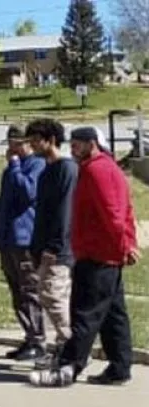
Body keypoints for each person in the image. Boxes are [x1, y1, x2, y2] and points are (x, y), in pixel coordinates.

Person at [31, 127, 140, 387]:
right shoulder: (107, 167)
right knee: (114, 315)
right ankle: (119, 367)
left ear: (92, 144)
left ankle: (67, 368)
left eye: (78, 145)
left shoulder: (96, 170)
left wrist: (124, 244)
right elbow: (124, 211)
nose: (73, 150)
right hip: (106, 253)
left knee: (84, 314)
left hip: (97, 253)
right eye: (72, 145)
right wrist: (126, 243)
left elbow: (112, 212)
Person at [0, 125, 48, 361]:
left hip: (26, 239)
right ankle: (28, 336)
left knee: (29, 291)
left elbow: (28, 193)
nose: (13, 148)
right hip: (8, 239)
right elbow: (3, 205)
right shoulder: (9, 171)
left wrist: (15, 166)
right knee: (16, 293)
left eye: (19, 143)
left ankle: (39, 340)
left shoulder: (36, 165)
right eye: (11, 143)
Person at [25, 118, 77, 361]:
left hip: (58, 249)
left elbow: (64, 212)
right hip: (40, 245)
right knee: (47, 297)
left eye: (36, 140)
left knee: (55, 298)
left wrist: (54, 247)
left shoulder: (66, 169)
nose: (32, 145)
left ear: (51, 140)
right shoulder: (45, 170)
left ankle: (70, 348)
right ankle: (62, 348)